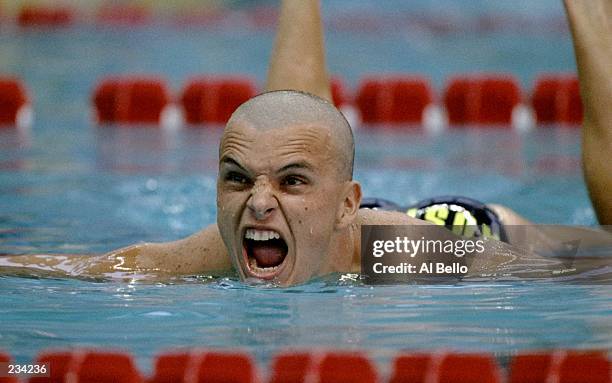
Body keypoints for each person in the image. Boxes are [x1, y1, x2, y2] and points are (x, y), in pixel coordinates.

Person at [0, 0, 610, 285]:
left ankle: (590, 12)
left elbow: (584, 272)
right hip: (329, 217)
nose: (256, 202)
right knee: (283, 136)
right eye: (233, 179)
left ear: (349, 203)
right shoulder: (222, 247)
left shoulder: (404, 253)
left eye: (285, 184)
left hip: (467, 227)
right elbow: (91, 266)